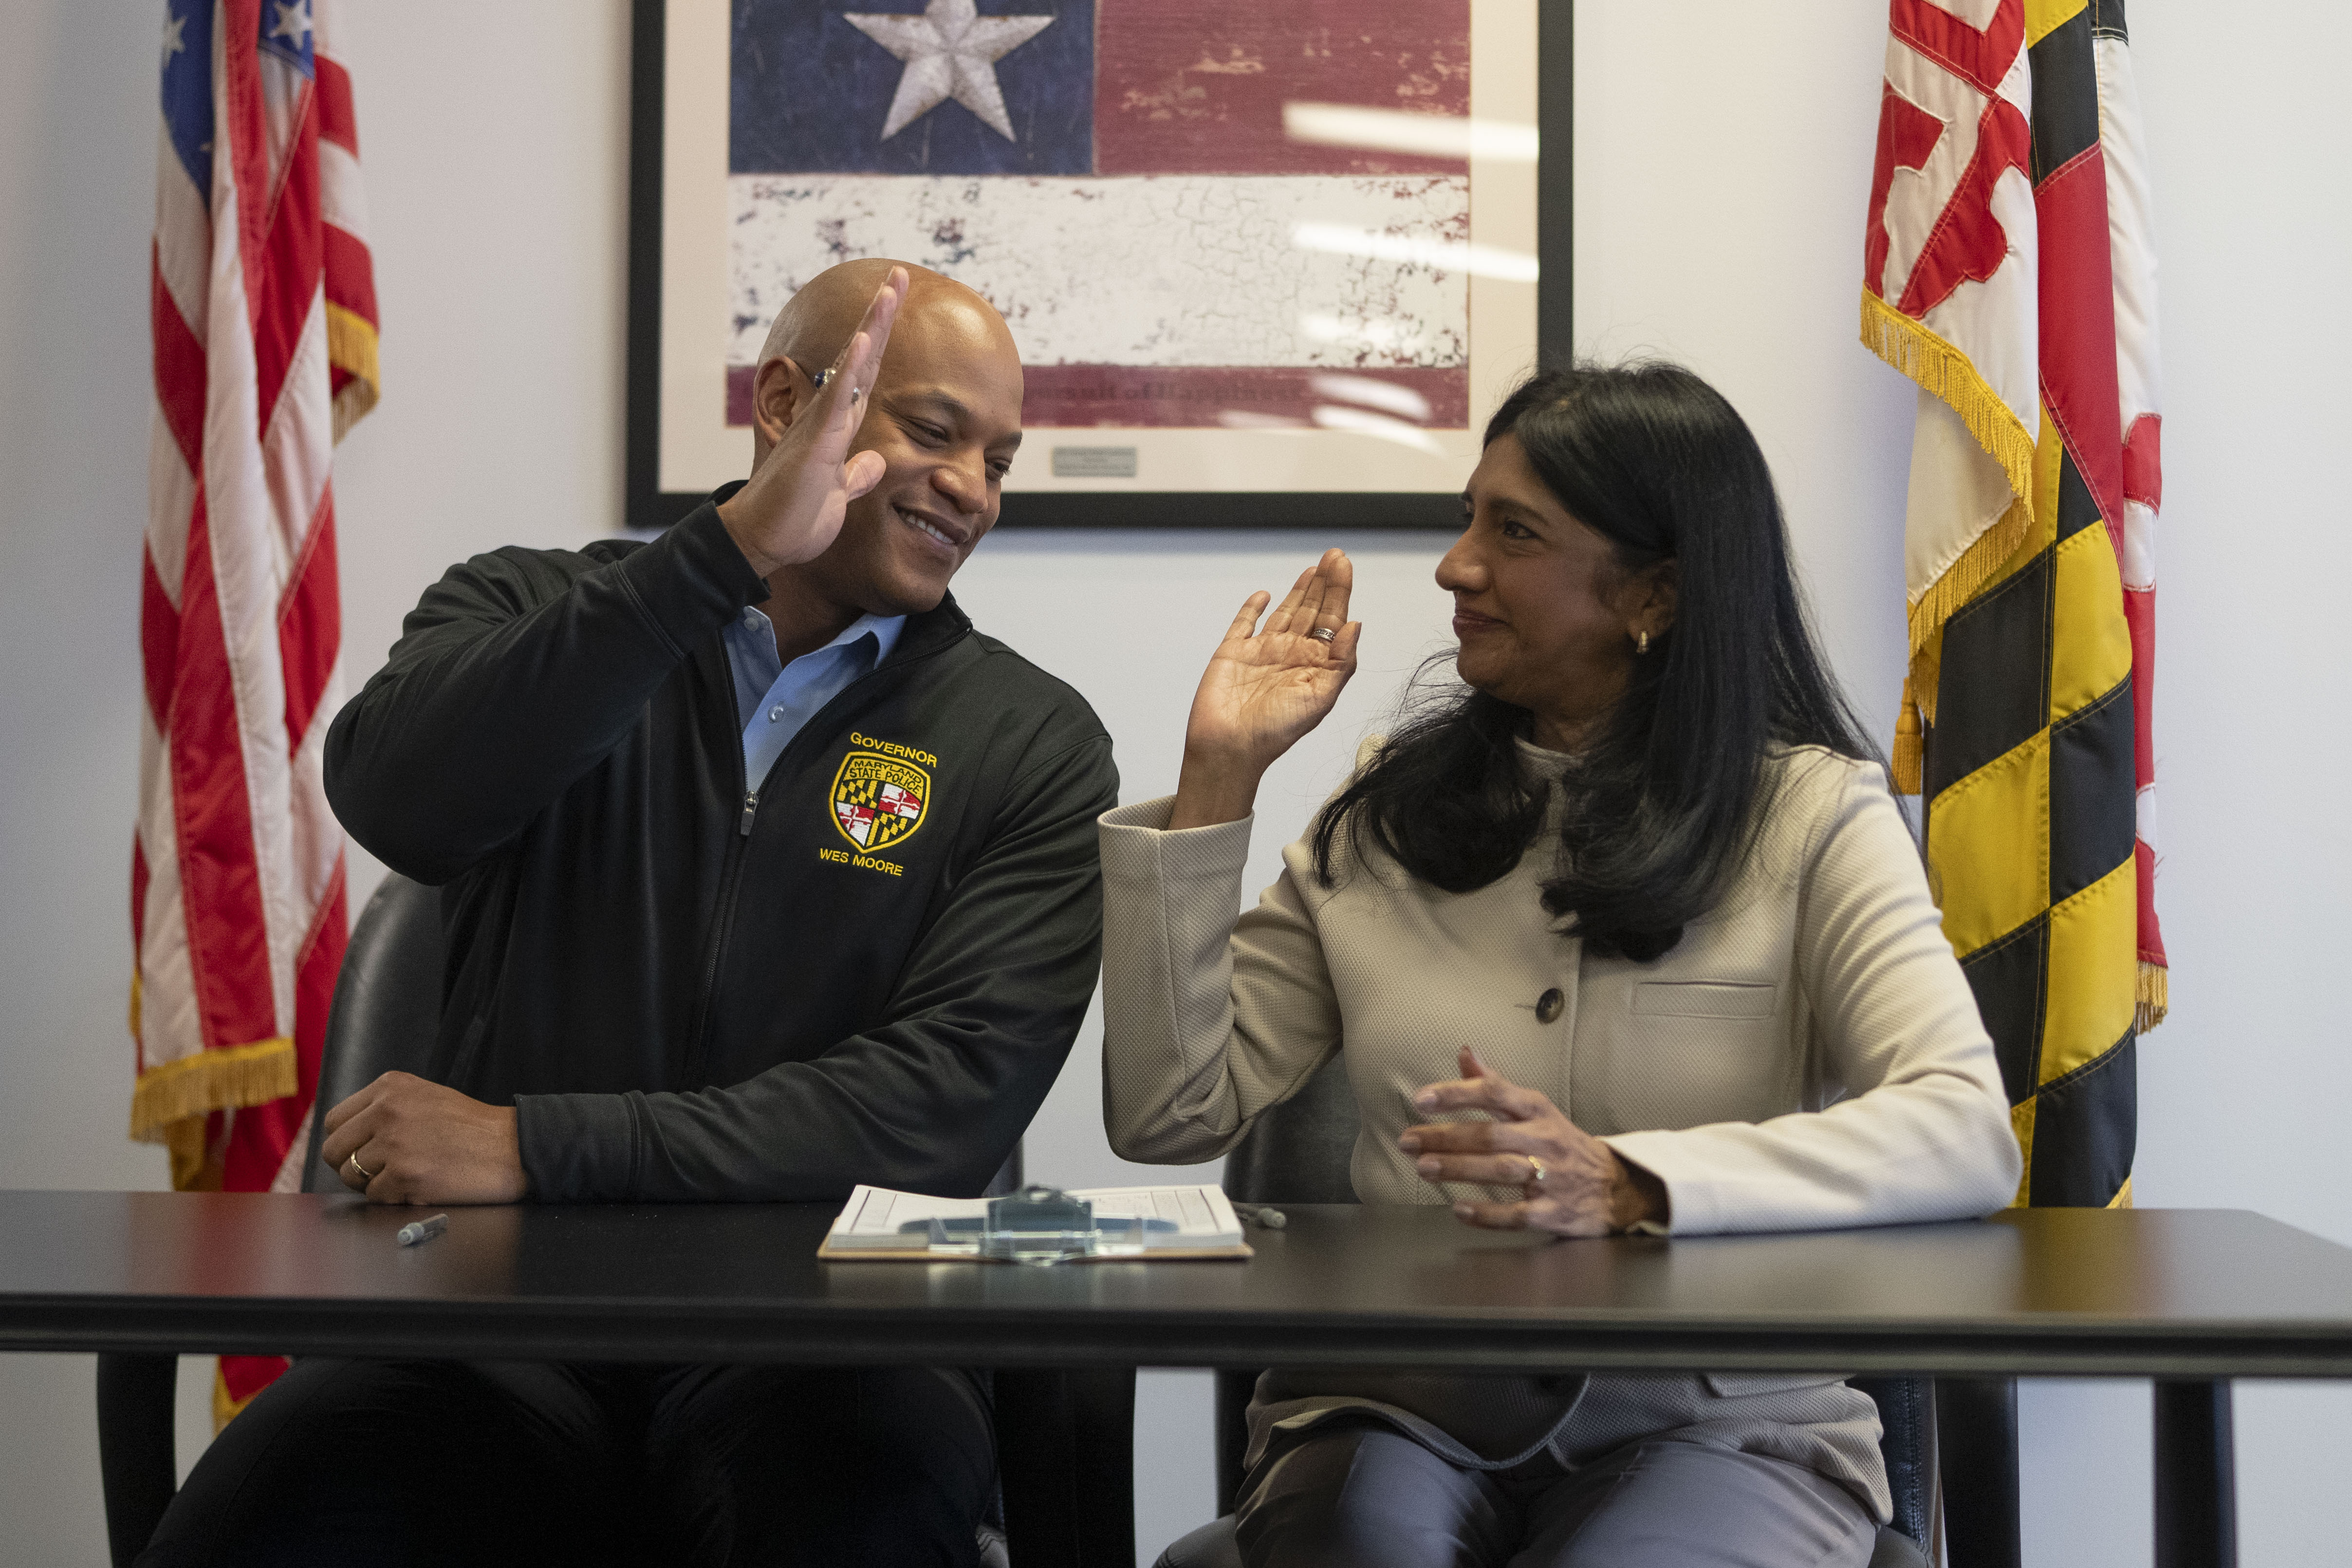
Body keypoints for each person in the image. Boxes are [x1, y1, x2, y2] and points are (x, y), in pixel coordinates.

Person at [139, 261, 1118, 1568]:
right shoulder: (522, 609)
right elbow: (399, 800)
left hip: (828, 1343)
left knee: (859, 1519)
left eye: (998, 459)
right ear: (784, 401)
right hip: (495, 1330)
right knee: (278, 1512)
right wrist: (717, 561)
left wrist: (542, 1143)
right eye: (933, 433)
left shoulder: (1035, 741)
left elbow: (936, 1111)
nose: (974, 491)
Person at [1097, 363, 2021, 1568]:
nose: (1454, 566)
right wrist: (1221, 777)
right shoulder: (1388, 807)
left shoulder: (1813, 817)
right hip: (1397, 1409)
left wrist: (1630, 1183)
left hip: (1722, 1425)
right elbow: (1170, 1113)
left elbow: (1961, 1128)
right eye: (1467, 518)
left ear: (1657, 590)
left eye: (1513, 531)